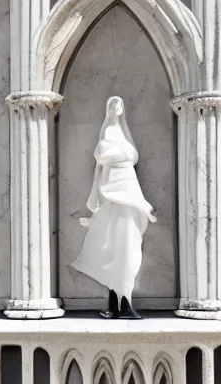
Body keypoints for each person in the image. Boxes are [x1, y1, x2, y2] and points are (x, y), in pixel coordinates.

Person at [71, 96, 157, 319]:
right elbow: (104, 169)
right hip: (114, 205)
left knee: (128, 251)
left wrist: (139, 203)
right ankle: (118, 304)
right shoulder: (106, 147)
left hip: (128, 205)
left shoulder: (125, 146)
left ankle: (121, 304)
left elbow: (128, 165)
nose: (116, 108)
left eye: (118, 105)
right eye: (112, 105)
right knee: (114, 251)